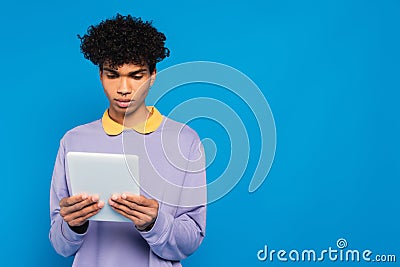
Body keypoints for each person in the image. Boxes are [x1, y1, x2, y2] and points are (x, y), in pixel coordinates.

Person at [49, 14, 206, 267]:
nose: (124, 88)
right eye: (113, 75)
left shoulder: (184, 141)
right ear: (100, 75)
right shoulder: (73, 141)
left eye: (136, 75)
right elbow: (59, 244)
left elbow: (192, 240)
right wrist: (73, 225)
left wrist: (154, 223)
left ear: (153, 75)